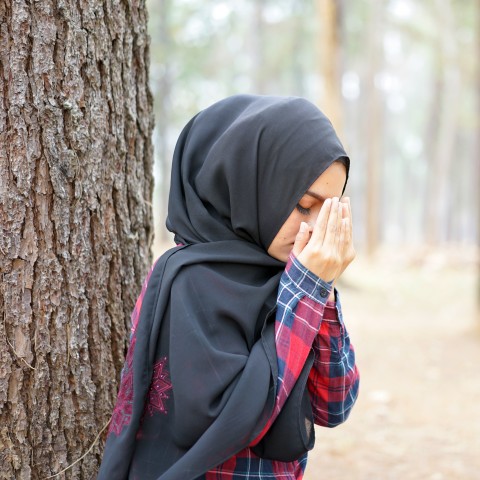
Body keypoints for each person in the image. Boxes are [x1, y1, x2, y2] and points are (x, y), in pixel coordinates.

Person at [98, 95, 360, 480]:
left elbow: (333, 406)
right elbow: (225, 420)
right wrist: (306, 288)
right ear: (247, 187)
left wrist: (320, 288)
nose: (315, 229)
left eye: (330, 210)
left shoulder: (292, 277)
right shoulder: (187, 281)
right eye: (305, 204)